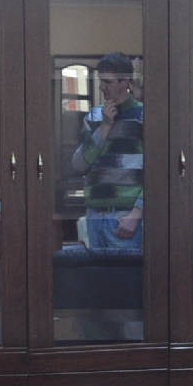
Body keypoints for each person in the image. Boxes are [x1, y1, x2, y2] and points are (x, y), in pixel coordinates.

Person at [71, 52, 145, 252]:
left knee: (125, 272)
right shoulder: (94, 116)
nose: (102, 87)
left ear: (125, 82)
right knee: (98, 273)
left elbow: (157, 171)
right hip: (95, 215)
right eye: (100, 81)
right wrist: (104, 127)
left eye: (108, 82)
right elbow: (79, 165)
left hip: (125, 215)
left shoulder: (143, 116)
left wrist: (136, 214)